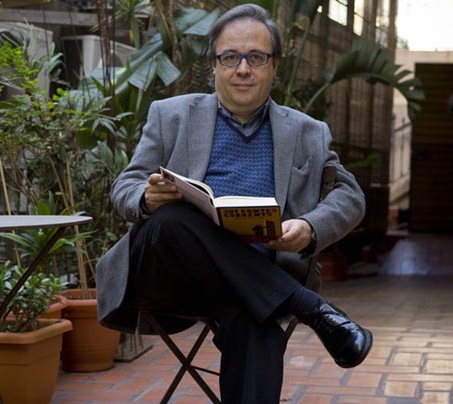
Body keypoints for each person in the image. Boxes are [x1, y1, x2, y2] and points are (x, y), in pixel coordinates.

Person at [96, 3, 373, 403]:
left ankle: (283, 298)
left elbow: (350, 196)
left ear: (273, 65)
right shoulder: (171, 116)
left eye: (256, 57)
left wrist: (310, 228)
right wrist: (145, 196)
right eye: (230, 57)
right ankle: (308, 306)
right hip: (170, 276)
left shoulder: (308, 133)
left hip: (253, 283)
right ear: (214, 65)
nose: (243, 68)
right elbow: (125, 186)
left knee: (253, 314)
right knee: (171, 218)